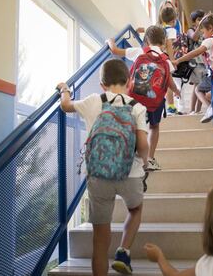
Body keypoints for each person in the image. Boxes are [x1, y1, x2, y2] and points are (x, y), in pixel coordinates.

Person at [57, 58, 149, 275]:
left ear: (102, 84)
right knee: (135, 209)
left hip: (98, 175)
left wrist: (64, 89)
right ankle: (123, 251)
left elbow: (65, 106)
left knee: (100, 238)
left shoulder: (93, 100)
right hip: (131, 173)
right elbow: (143, 144)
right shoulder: (138, 107)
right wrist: (146, 162)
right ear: (129, 81)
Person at [108, 25, 180, 171]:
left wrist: (110, 41)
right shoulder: (165, 59)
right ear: (164, 41)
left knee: (133, 126)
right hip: (156, 101)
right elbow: (170, 81)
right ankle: (150, 159)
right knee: (154, 127)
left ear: (146, 40)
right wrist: (177, 91)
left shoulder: (139, 52)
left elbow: (115, 51)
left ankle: (128, 157)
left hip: (136, 99)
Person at [173, 13, 213, 123]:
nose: (203, 34)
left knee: (198, 89)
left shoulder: (209, 40)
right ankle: (208, 108)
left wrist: (178, 60)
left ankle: (211, 108)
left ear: (210, 29)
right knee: (207, 91)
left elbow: (195, 53)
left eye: (203, 31)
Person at [159, 5, 182, 115]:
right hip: (167, 58)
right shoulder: (171, 30)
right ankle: (171, 106)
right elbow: (169, 46)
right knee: (169, 82)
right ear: (174, 20)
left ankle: (167, 105)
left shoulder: (161, 30)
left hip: (159, 57)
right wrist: (173, 61)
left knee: (165, 82)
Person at [187, 9, 206, 114]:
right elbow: (194, 37)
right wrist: (200, 26)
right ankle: (192, 110)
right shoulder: (191, 30)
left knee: (202, 87)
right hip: (195, 62)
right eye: (199, 19)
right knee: (197, 85)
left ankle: (198, 110)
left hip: (204, 62)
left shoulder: (205, 30)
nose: (201, 21)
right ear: (194, 21)